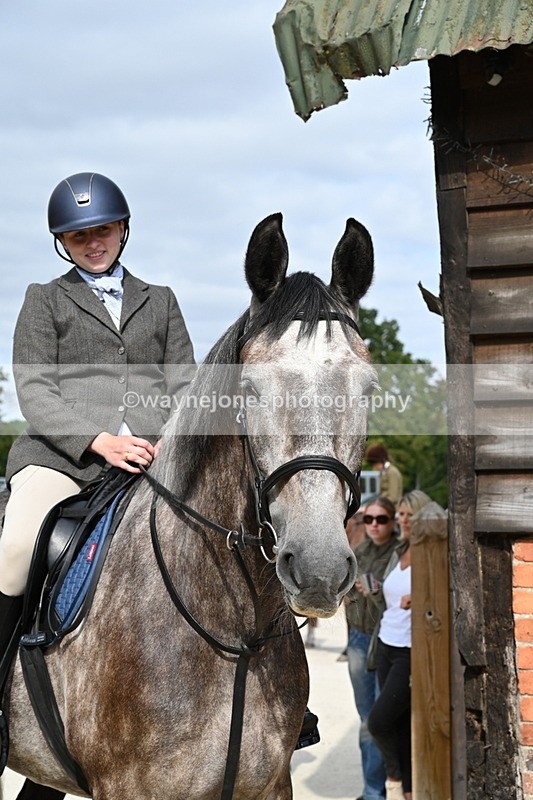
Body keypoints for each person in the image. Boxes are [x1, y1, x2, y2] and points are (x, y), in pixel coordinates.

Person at [0, 171, 195, 665]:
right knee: (17, 551)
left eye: (102, 230)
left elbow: (185, 386)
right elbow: (35, 389)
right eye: (79, 235)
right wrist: (99, 441)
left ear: (123, 228)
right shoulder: (43, 299)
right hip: (62, 459)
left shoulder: (162, 300)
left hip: (154, 458)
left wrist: (174, 444)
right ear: (63, 242)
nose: (93, 243)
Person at [366, 490, 431, 800]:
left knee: (378, 721)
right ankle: (408, 791)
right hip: (385, 645)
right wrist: (376, 590)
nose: (403, 520)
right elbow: (391, 601)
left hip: (408, 650)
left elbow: (446, 595)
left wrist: (421, 598)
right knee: (398, 723)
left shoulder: (432, 554)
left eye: (409, 515)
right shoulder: (401, 551)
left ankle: (393, 778)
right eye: (401, 514)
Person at [345, 497, 400, 800]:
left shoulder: (400, 553)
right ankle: (371, 791)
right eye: (368, 520)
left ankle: (376, 791)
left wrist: (376, 591)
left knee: (380, 721)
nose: (374, 525)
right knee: (367, 720)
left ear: (392, 522)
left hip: (386, 642)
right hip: (358, 639)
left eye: (381, 519)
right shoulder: (358, 552)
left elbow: (401, 605)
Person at [365, 444, 403, 510]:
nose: (374, 467)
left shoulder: (392, 472)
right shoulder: (384, 472)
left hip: (392, 510)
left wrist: (378, 505)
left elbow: (393, 497)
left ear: (381, 461)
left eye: (375, 463)